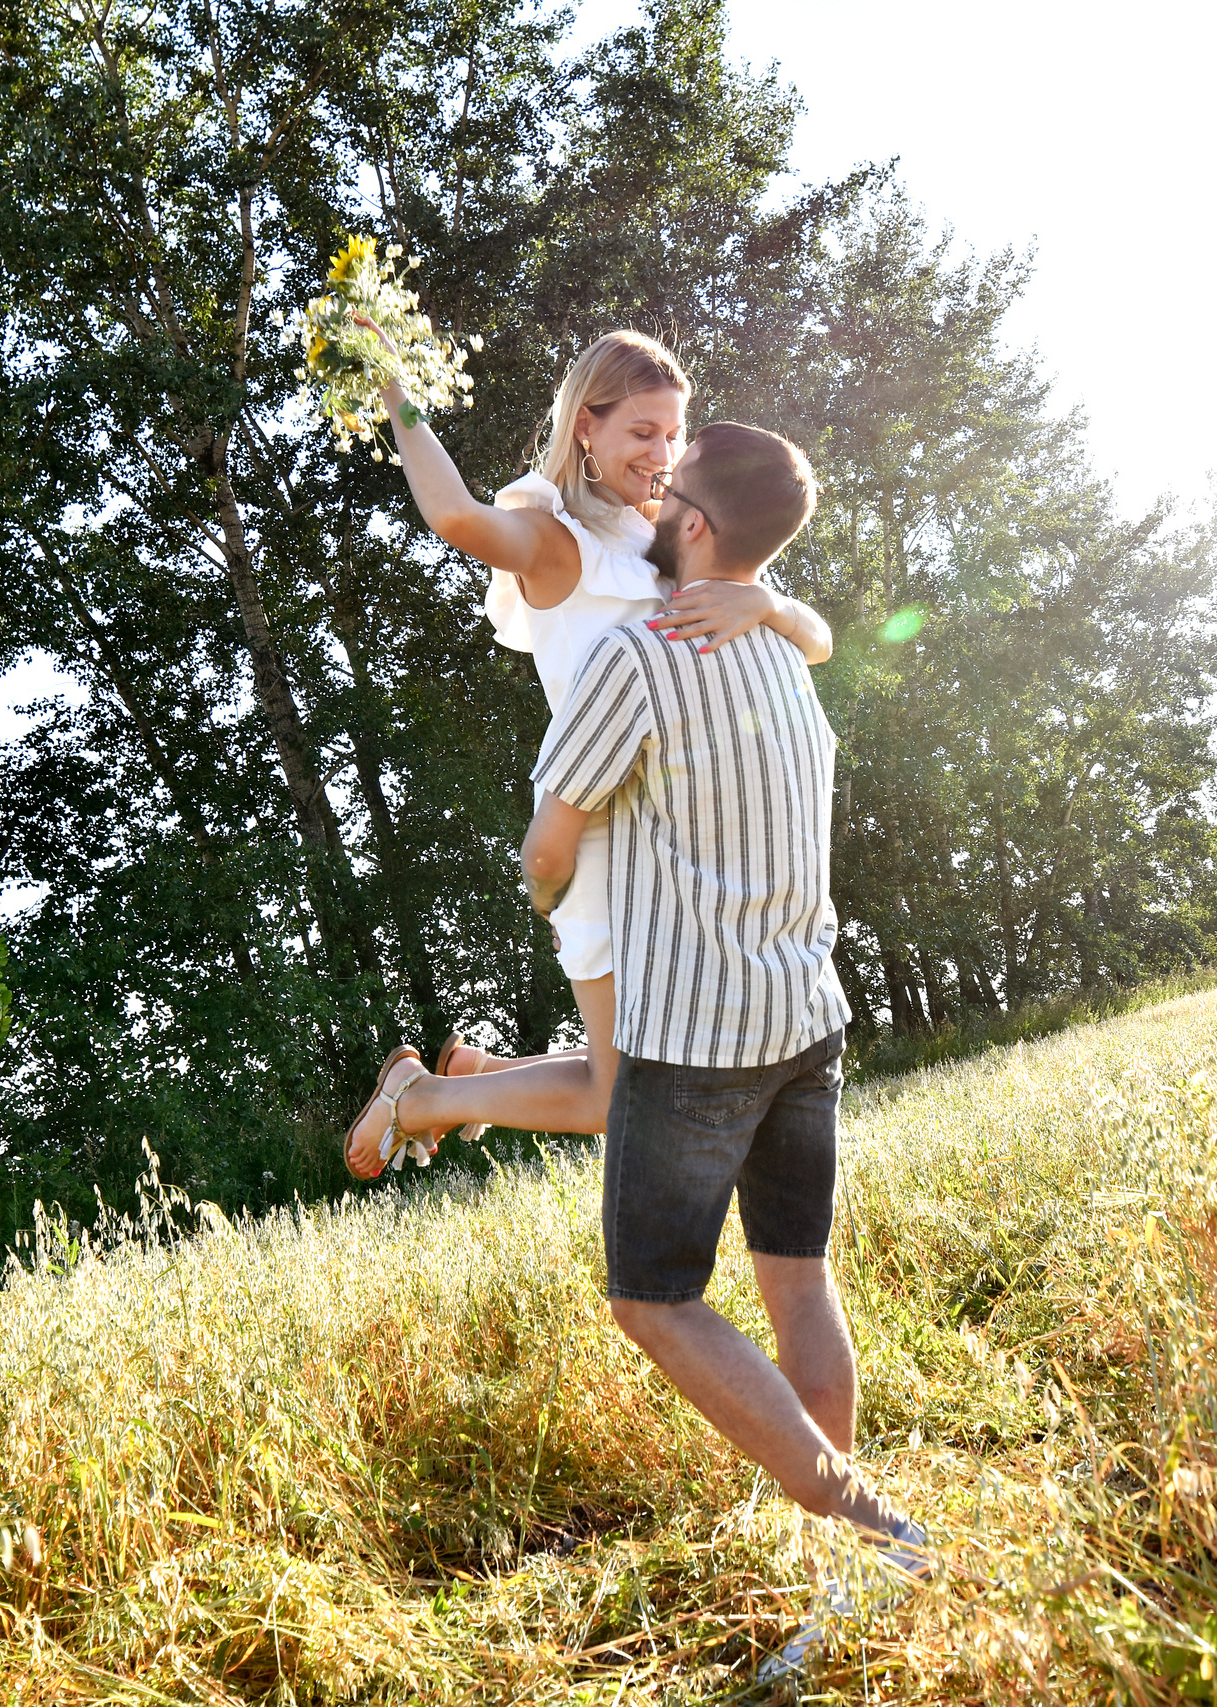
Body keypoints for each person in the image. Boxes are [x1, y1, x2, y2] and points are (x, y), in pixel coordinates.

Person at [524, 422, 927, 1665]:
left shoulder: (638, 656)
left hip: (698, 1040)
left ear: (696, 526)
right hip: (807, 1015)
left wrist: (550, 901)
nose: (655, 490)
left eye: (672, 480)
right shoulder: (779, 651)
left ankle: (878, 1528)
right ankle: (850, 1578)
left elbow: (551, 844)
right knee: (797, 1280)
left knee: (652, 1301)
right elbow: (799, 629)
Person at [342, 331, 833, 1175]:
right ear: (587, 430)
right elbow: (455, 515)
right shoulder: (554, 537)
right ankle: (424, 1097)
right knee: (620, 1092)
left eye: (675, 435)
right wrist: (397, 394)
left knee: (642, 1070)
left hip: (674, 834)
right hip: (595, 829)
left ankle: (472, 1077)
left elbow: (818, 642)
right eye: (643, 432)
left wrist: (766, 605)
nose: (664, 453)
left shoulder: (671, 533)